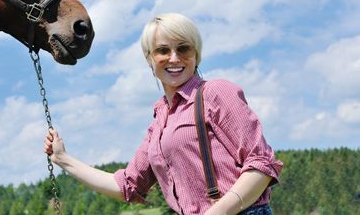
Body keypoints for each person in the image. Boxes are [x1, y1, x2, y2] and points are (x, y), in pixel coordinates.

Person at [44, 13, 283, 215]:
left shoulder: (216, 92)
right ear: (149, 58)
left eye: (184, 48)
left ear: (196, 54)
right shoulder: (160, 120)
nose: (174, 58)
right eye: (162, 50)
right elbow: (128, 185)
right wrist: (63, 159)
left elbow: (261, 164)